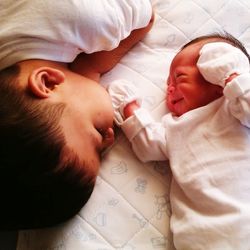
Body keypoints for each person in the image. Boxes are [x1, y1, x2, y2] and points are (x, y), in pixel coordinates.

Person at [0, 0, 154, 229]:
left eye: (97, 133)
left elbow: (146, 15)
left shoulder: (92, 21)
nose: (110, 137)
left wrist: (93, 66)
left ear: (48, 83)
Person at [108, 32, 250, 250]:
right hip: (199, 235)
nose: (170, 88)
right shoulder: (172, 126)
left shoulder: (235, 109)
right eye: (168, 83)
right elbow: (148, 147)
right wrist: (129, 108)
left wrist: (229, 71)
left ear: (215, 76)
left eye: (180, 78)